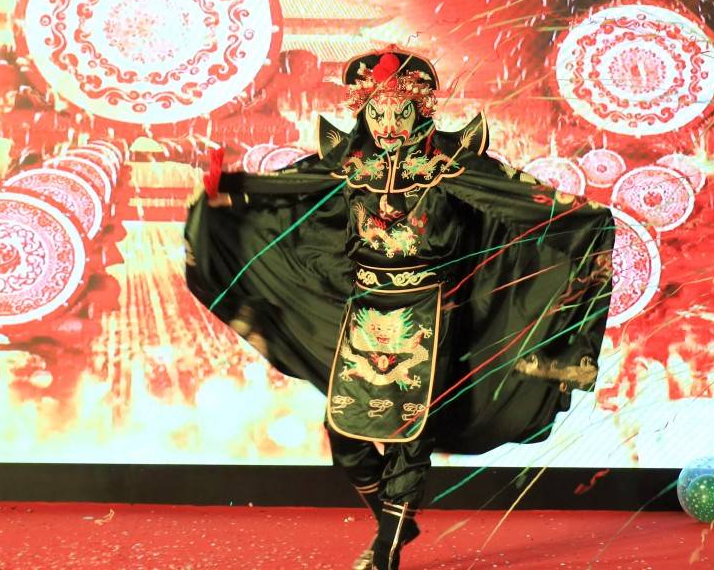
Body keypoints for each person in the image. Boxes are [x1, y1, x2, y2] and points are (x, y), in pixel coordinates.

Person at [184, 46, 615, 569]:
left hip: (431, 312)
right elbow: (290, 191)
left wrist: (581, 218)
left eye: (399, 112)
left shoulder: (450, 168)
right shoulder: (351, 167)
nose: (388, 125)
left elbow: (528, 205)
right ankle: (395, 520)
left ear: (420, 112)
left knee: (411, 434)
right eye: (378, 113)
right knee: (345, 433)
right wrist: (229, 194)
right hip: (364, 310)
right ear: (363, 113)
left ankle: (386, 549)